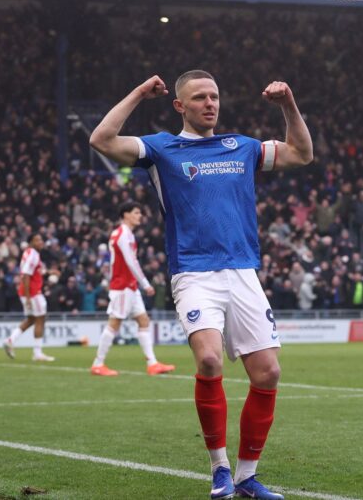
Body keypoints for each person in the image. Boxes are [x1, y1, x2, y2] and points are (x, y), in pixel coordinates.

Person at [90, 71, 312, 500]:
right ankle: (220, 470)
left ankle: (248, 477)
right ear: (180, 106)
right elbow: (102, 139)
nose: (210, 103)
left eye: (214, 96)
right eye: (199, 97)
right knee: (209, 360)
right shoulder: (160, 148)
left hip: (243, 272)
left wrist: (288, 104)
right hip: (193, 272)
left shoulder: (243, 147)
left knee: (269, 372)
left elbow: (302, 153)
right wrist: (138, 91)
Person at [90, 200, 175, 377]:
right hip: (122, 287)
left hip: (130, 286)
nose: (140, 216)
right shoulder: (123, 234)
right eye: (136, 212)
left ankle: (152, 364)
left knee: (143, 321)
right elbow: (131, 261)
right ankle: (98, 364)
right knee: (115, 323)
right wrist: (145, 283)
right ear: (126, 214)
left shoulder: (123, 233)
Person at [3, 233, 54, 361]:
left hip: (27, 292)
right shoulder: (33, 255)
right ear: (31, 242)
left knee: (31, 320)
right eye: (38, 240)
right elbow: (25, 275)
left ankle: (10, 340)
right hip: (32, 293)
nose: (41, 242)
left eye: (41, 239)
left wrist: (49, 272)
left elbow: (34, 272)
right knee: (40, 319)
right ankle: (37, 353)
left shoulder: (29, 253)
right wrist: (28, 298)